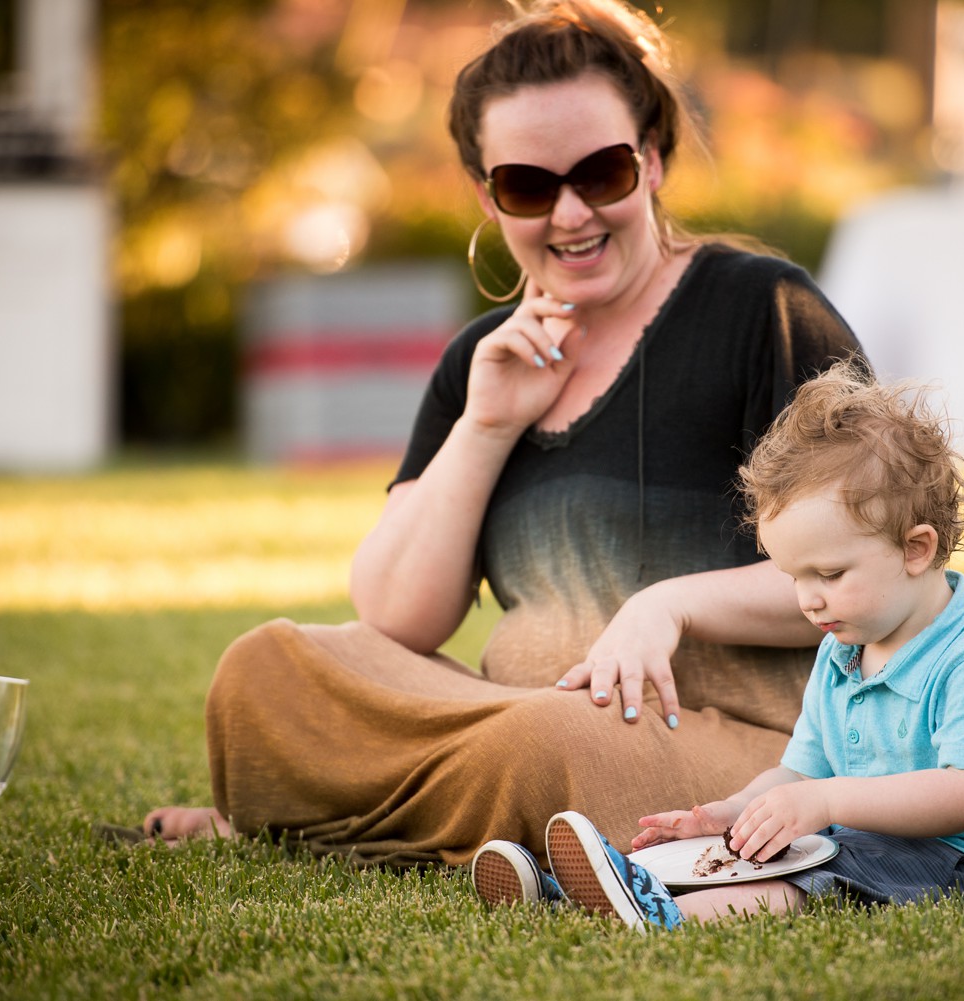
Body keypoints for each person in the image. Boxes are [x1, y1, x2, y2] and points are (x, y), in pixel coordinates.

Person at [140, 0, 859, 868]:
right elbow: (399, 614)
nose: (569, 214)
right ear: (488, 195)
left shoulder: (761, 310)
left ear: (653, 162)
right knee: (265, 673)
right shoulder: (483, 362)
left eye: (600, 173)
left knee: (546, 744)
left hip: (743, 746)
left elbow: (874, 566)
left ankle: (324, 816)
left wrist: (668, 603)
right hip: (501, 713)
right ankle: (425, 818)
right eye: (528, 185)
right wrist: (486, 424)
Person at [472, 362, 964, 927]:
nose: (808, 600)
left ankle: (667, 915)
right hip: (865, 841)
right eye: (794, 578)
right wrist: (730, 813)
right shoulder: (843, 653)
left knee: (821, 867)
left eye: (829, 576)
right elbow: (798, 771)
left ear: (916, 549)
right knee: (771, 848)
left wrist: (826, 803)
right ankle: (592, 892)